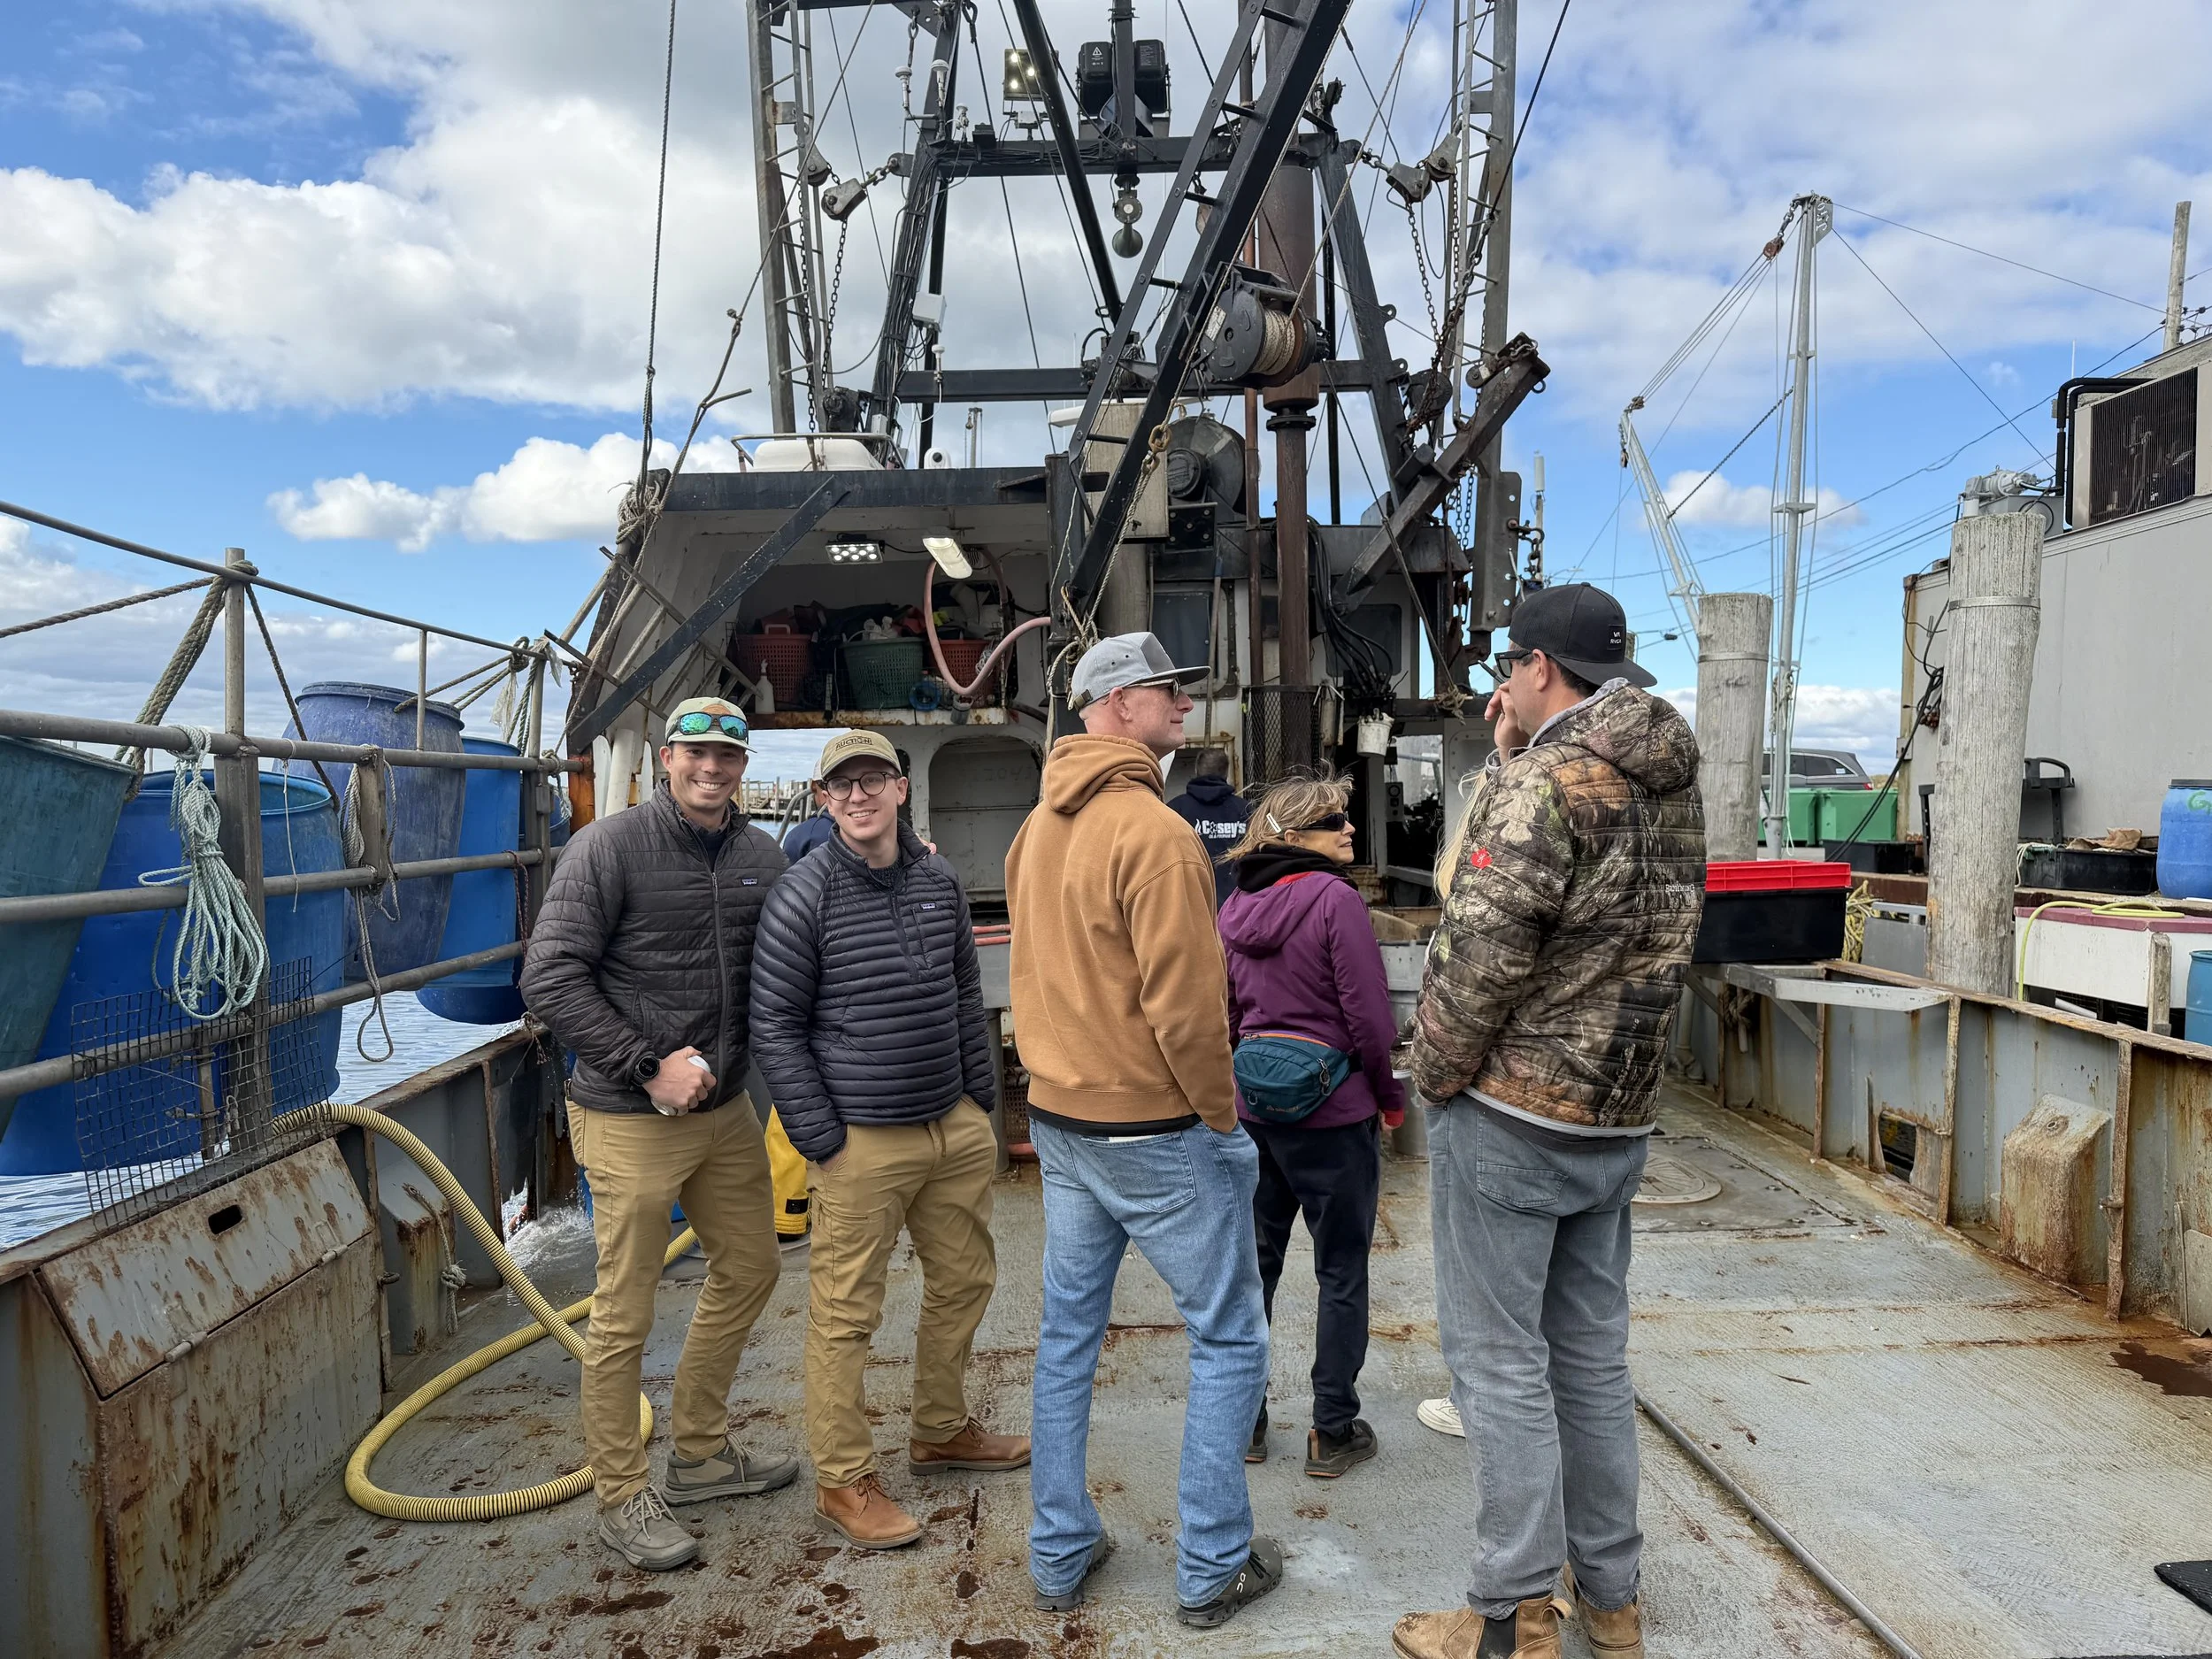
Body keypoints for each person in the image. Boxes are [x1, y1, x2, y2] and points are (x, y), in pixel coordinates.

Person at [1390, 584, 1704, 1659]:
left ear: (1534, 668)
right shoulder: (1669, 782)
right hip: (1616, 1120)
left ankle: (1511, 1620)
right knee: (1588, 1361)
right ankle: (1610, 1608)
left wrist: (1429, 1076)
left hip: (1515, 1112)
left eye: (1505, 672)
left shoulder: (1543, 784)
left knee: (1498, 1367)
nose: (1497, 689)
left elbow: (1479, 953)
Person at [1005, 632, 1280, 1631]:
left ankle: (1059, 1546)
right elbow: (1188, 1007)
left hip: (1062, 1121)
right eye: (1169, 692)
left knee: (1067, 1338)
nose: (1180, 706)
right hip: (1157, 1128)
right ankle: (1212, 1565)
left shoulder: (1037, 827)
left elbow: (1032, 973)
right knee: (1228, 1337)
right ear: (1120, 703)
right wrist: (1222, 1119)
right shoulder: (1155, 833)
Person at [520, 697, 803, 1572]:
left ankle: (702, 1455)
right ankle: (619, 1493)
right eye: (695, 754)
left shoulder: (761, 855)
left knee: (752, 1268)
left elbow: (798, 955)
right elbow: (549, 976)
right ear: (665, 757)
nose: (710, 769)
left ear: (742, 765)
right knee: (625, 1312)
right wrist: (648, 1064)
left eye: (727, 756)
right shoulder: (608, 848)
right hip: (626, 1111)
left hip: (724, 1115)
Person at [749, 730, 1028, 1552]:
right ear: (824, 799)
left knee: (964, 1281)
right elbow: (775, 1026)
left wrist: (980, 1105)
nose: (858, 795)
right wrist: (822, 1139)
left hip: (950, 1125)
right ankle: (844, 1479)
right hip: (861, 1140)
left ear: (901, 789)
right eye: (843, 785)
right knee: (845, 1313)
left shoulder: (939, 881)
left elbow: (961, 995)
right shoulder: (803, 896)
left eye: (873, 779)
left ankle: (941, 1427)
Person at [1215, 771, 1407, 1479]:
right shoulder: (1335, 899)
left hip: (1256, 1113)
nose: (1349, 829)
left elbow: (1229, 1014)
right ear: (1293, 837)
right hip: (1333, 1115)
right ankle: (1331, 1429)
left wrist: (1238, 1086)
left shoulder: (1236, 905)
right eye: (1333, 822)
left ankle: (1245, 1419)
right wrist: (1389, 1099)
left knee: (1253, 1268)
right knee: (1340, 1269)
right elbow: (1369, 1020)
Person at [1168, 747, 1252, 908]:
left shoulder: (1175, 810)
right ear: (1226, 774)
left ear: (1196, 770)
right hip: (1237, 908)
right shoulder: (1246, 810)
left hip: (1190, 905)